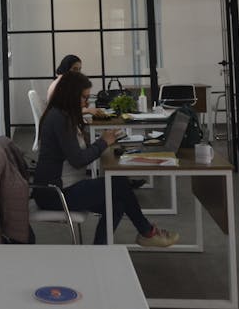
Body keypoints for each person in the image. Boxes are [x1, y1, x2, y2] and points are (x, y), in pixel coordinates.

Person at [32, 71, 179, 247]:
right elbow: (78, 160)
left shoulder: (63, 115)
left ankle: (101, 248)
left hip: (62, 189)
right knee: (119, 184)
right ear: (70, 95)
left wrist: (100, 142)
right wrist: (103, 143)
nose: (86, 103)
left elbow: (75, 152)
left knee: (117, 202)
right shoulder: (59, 119)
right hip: (55, 194)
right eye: (84, 97)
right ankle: (147, 232)